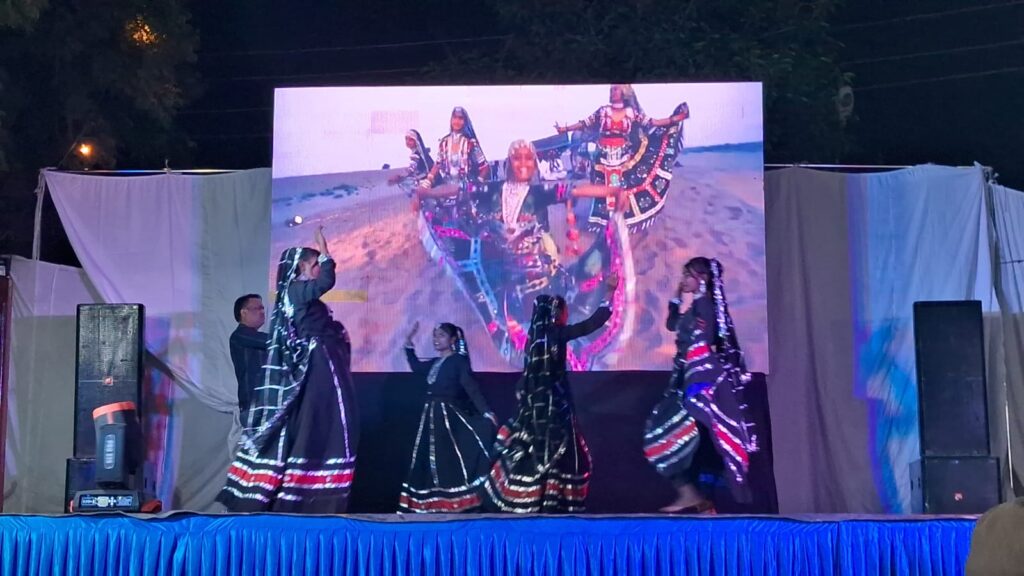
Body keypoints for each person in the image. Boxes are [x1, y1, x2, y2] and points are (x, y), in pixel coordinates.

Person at [218, 226, 359, 513]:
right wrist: (326, 251)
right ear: (301, 267)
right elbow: (326, 282)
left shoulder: (298, 295)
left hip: (322, 363)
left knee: (317, 424)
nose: (319, 268)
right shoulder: (296, 290)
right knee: (319, 423)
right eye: (315, 264)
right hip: (318, 365)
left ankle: (307, 491)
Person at [485, 273, 619, 513]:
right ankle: (552, 500)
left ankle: (530, 499)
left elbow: (527, 377)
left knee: (535, 449)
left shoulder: (533, 340)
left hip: (534, 408)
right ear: (555, 314)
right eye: (563, 312)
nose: (565, 316)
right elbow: (591, 324)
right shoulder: (556, 334)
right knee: (556, 450)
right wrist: (609, 292)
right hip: (554, 406)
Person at [643, 257, 757, 513]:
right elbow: (672, 324)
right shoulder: (697, 306)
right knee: (692, 439)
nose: (683, 280)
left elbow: (702, 342)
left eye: (688, 276)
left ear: (702, 279)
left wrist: (694, 384)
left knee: (670, 433)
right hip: (685, 378)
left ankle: (694, 496)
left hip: (695, 382)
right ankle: (698, 500)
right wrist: (677, 295)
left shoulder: (704, 305)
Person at [399, 322, 497, 513]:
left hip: (447, 417)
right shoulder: (435, 362)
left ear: (452, 340)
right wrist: (408, 344)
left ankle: (452, 501)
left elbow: (471, 388)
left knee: (448, 457)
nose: (436, 339)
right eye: (435, 335)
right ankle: (431, 502)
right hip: (430, 416)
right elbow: (417, 367)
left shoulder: (458, 361)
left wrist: (486, 411)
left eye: (442, 335)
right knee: (430, 458)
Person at [229, 294, 269, 423]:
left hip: (264, 404)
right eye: (257, 308)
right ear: (243, 313)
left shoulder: (255, 336)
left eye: (262, 308)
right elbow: (271, 341)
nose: (262, 312)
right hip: (254, 406)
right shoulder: (240, 335)